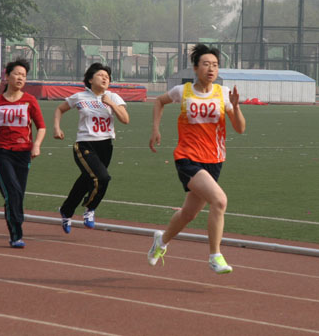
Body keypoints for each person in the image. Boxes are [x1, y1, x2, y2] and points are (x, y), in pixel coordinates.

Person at [147, 44, 246, 275]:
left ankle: (161, 241)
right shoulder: (183, 91)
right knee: (219, 201)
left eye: (215, 65)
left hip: (214, 160)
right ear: (195, 68)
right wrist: (155, 129)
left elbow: (240, 128)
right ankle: (215, 256)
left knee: (189, 213)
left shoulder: (223, 93)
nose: (211, 69)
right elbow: (159, 101)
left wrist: (236, 106)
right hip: (187, 157)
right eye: (206, 64)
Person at [0, 59, 46, 248]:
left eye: (24, 75)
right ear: (7, 76)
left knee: (17, 194)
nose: (20, 78)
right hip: (2, 153)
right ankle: (16, 235)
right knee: (13, 193)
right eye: (17, 74)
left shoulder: (30, 100)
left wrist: (37, 145)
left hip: (23, 154)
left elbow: (41, 127)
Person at [53, 63, 129, 233]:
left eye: (107, 77)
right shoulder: (80, 97)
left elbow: (125, 119)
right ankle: (90, 208)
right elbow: (59, 109)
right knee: (103, 178)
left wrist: (111, 103)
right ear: (90, 79)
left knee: (85, 180)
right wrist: (57, 128)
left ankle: (66, 210)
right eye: (101, 75)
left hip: (106, 145)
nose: (105, 78)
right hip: (85, 144)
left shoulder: (113, 97)